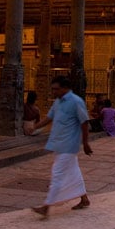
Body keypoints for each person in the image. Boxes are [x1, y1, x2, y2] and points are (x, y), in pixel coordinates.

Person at [31, 76, 92, 218]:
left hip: (69, 145)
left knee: (57, 174)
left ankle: (47, 206)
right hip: (59, 143)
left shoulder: (76, 102)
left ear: (65, 88)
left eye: (56, 89)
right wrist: (34, 127)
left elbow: (84, 122)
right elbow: (49, 117)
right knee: (73, 172)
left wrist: (86, 143)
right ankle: (84, 199)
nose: (54, 92)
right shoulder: (58, 102)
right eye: (53, 89)